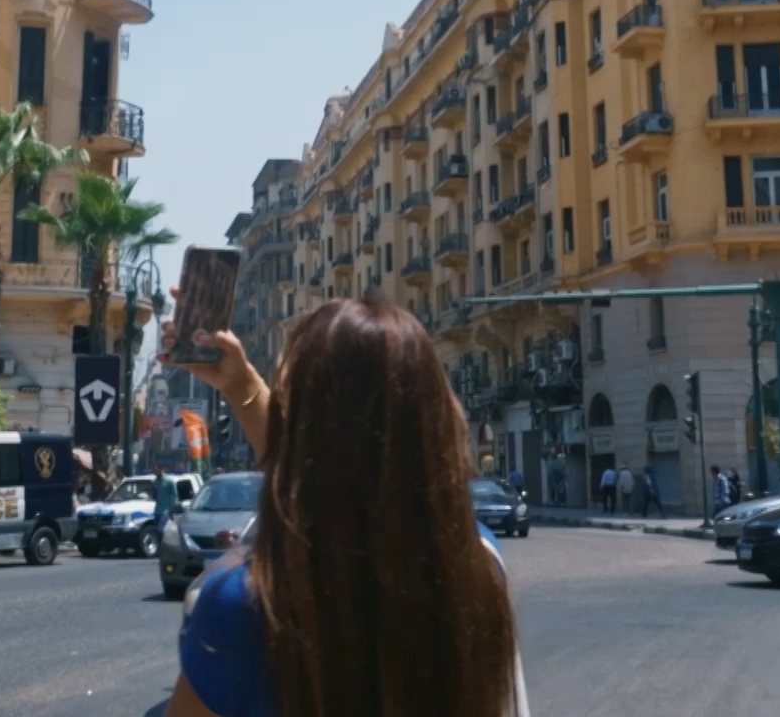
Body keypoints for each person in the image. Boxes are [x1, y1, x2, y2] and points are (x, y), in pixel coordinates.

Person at [159, 292, 525, 717]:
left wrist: (243, 387)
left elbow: (312, 471)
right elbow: (336, 469)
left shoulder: (245, 607)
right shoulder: (477, 564)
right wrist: (240, 386)